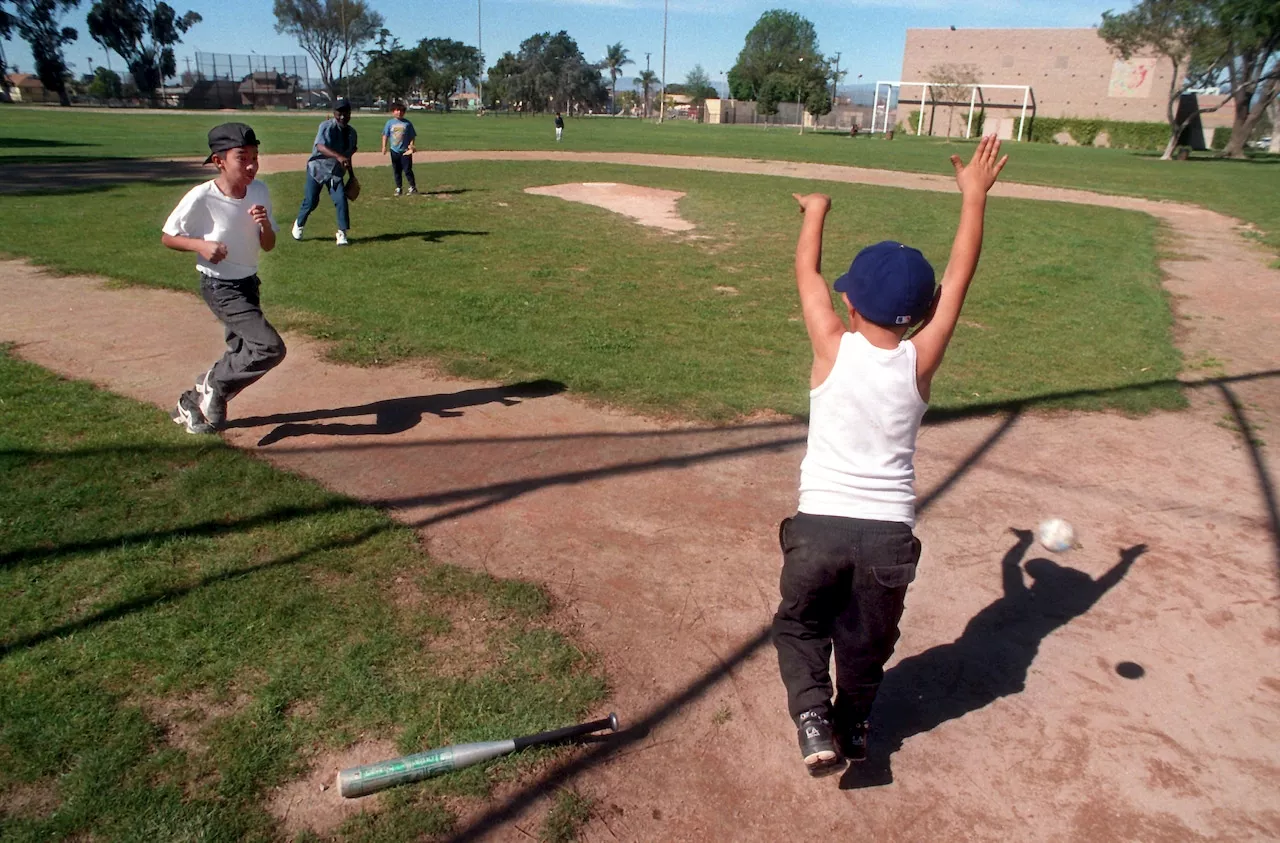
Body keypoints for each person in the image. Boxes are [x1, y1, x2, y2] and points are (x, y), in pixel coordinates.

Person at [773, 135, 1008, 777]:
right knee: (866, 642)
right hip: (888, 541)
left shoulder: (831, 345)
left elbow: (806, 274)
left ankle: (815, 719)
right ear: (925, 310)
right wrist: (974, 198)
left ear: (849, 304)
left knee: (800, 627)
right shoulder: (921, 360)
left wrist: (816, 210)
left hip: (819, 529)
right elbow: (962, 273)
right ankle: (854, 722)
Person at [162, 122, 285, 435]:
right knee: (269, 348)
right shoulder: (202, 197)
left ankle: (192, 402)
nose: (252, 165)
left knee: (243, 353)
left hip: (249, 283)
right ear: (219, 161)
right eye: (242, 158)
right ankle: (213, 383)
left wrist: (265, 225)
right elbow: (169, 236)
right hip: (220, 286)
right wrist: (200, 245)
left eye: (255, 157)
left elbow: (268, 245)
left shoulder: (259, 191)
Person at [292, 98, 358, 246]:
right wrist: (338, 156)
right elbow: (320, 146)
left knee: (341, 200)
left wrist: (352, 176)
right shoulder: (326, 126)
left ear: (350, 114)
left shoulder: (351, 133)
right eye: (339, 113)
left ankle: (342, 233)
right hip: (317, 169)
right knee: (311, 201)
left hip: (335, 172)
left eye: (346, 113)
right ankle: (299, 223)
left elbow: (347, 157)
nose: (342, 116)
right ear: (334, 113)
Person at [381, 101, 418, 196]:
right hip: (394, 151)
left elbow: (412, 136)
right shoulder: (389, 123)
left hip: (405, 151)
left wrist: (411, 146)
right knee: (396, 170)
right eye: (397, 110)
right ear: (393, 111)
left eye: (401, 111)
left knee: (407, 170)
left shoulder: (408, 124)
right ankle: (399, 188)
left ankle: (412, 187)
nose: (399, 112)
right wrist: (384, 147)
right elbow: (385, 135)